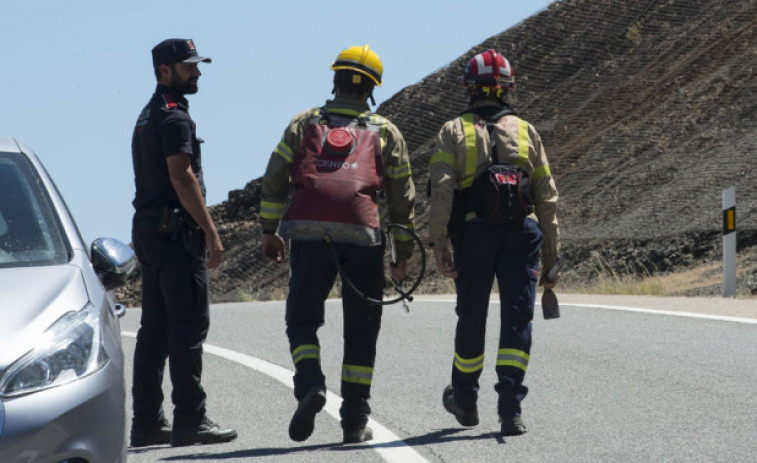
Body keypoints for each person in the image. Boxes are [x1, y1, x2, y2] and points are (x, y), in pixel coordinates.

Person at [260, 44, 416, 444]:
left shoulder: (304, 122)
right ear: (371, 89)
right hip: (362, 236)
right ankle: (354, 422)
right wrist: (402, 252)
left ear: (335, 80)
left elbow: (276, 175)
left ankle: (311, 383)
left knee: (301, 319)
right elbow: (402, 197)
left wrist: (269, 229)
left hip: (309, 233)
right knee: (361, 328)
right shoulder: (386, 131)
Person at [428, 49, 560, 436]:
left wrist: (440, 244)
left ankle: (465, 401)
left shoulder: (452, 131)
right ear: (507, 89)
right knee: (517, 317)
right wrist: (552, 254)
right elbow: (547, 195)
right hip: (522, 233)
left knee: (472, 316)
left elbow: (441, 191)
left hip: (474, 234)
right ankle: (510, 410)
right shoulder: (526, 130)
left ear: (470, 89)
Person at [129, 38, 237, 448]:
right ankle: (190, 418)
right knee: (188, 327)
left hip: (150, 232)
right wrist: (210, 232)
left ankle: (146, 423)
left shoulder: (148, 113)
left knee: (154, 330)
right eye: (189, 66)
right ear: (164, 71)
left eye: (196, 65)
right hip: (176, 237)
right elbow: (182, 177)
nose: (197, 72)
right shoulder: (174, 118)